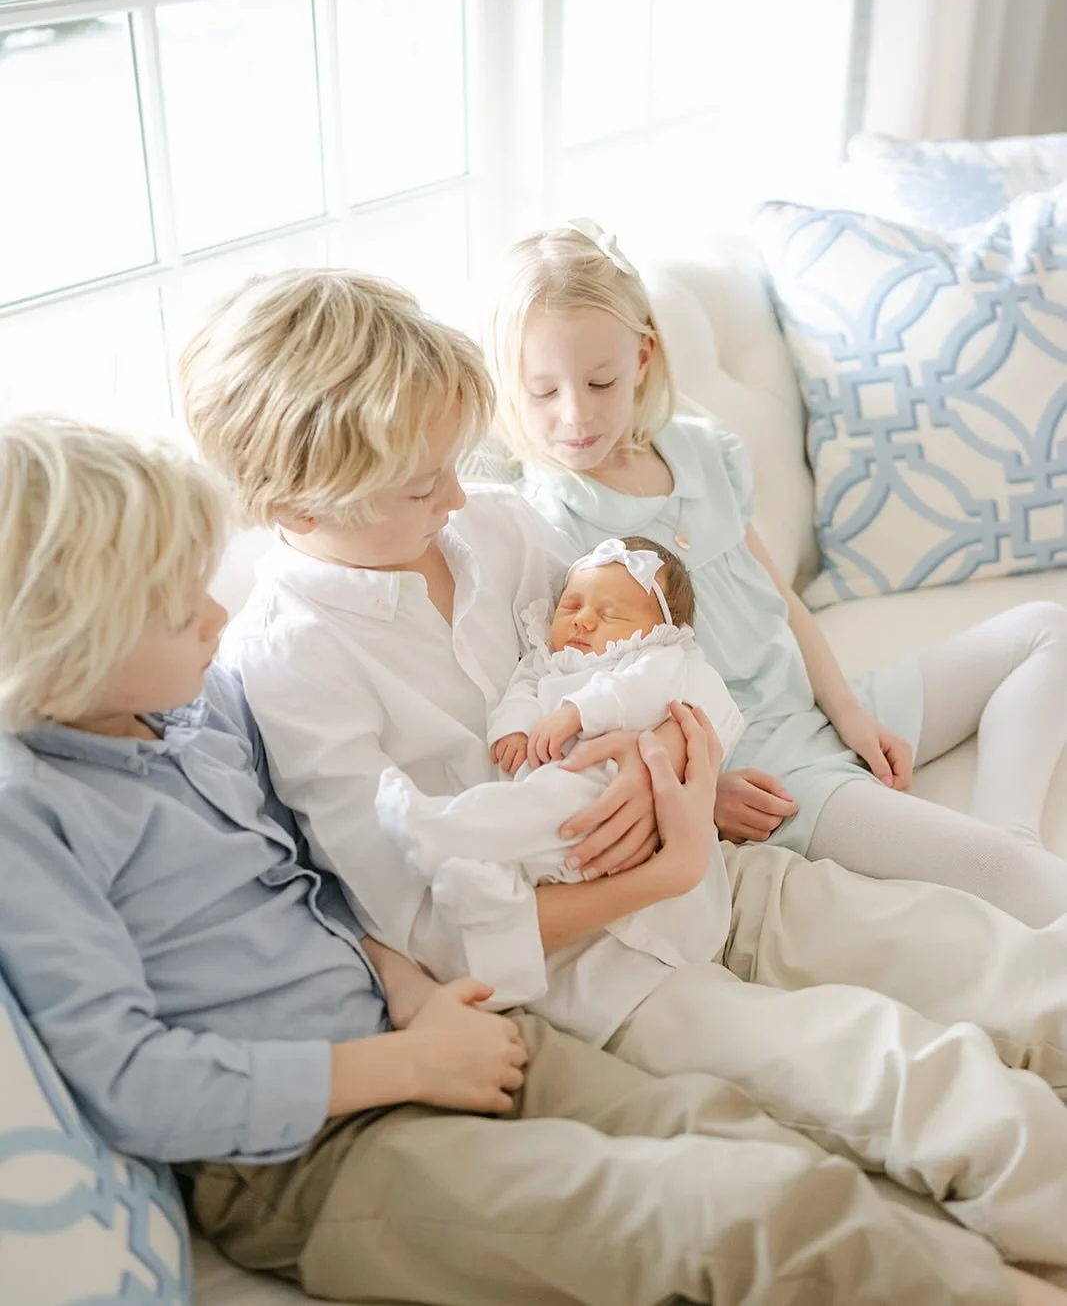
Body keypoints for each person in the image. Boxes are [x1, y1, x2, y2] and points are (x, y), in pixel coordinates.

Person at [1, 416, 1046, 1306]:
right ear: (63, 639)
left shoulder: (195, 718)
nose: (215, 617)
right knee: (760, 1209)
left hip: (447, 1023)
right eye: (181, 606)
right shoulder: (39, 808)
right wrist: (402, 1058)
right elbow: (133, 1077)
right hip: (310, 1141)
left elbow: (321, 893)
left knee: (763, 1144)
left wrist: (417, 1002)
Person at [185, 267, 1067, 1273]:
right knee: (917, 1080)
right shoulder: (288, 662)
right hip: (593, 971)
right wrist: (656, 866)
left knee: (1002, 962)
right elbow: (427, 931)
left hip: (719, 865)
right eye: (420, 482)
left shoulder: (503, 529)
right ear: (295, 498)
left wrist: (673, 766)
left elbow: (660, 665)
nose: (456, 493)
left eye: (450, 461)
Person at [484, 218, 1067, 928]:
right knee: (998, 874)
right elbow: (576, 697)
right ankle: (1006, 856)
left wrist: (848, 709)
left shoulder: (698, 451)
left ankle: (1010, 826)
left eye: (598, 381)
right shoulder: (545, 521)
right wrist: (704, 789)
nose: (574, 414)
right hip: (763, 764)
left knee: (1046, 628)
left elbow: (780, 597)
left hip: (817, 709)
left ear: (641, 359)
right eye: (543, 391)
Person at [376, 533, 744, 1041]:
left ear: (661, 629)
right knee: (522, 823)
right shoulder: (548, 661)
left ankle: (444, 831)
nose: (583, 620)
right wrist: (512, 727)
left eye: (610, 614)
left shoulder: (656, 659)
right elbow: (522, 689)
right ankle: (459, 862)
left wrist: (577, 711)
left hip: (606, 785)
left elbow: (634, 691)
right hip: (557, 798)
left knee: (538, 808)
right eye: (571, 604)